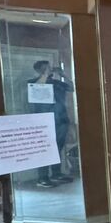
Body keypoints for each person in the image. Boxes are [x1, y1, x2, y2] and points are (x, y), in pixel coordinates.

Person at [29, 60, 75, 188]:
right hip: (44, 121)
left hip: (61, 119)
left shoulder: (56, 82)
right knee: (44, 149)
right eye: (45, 68)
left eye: (49, 68)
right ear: (39, 71)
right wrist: (45, 74)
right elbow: (38, 90)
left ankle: (56, 173)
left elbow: (71, 88)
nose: (49, 70)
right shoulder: (33, 82)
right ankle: (42, 177)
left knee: (57, 149)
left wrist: (63, 75)